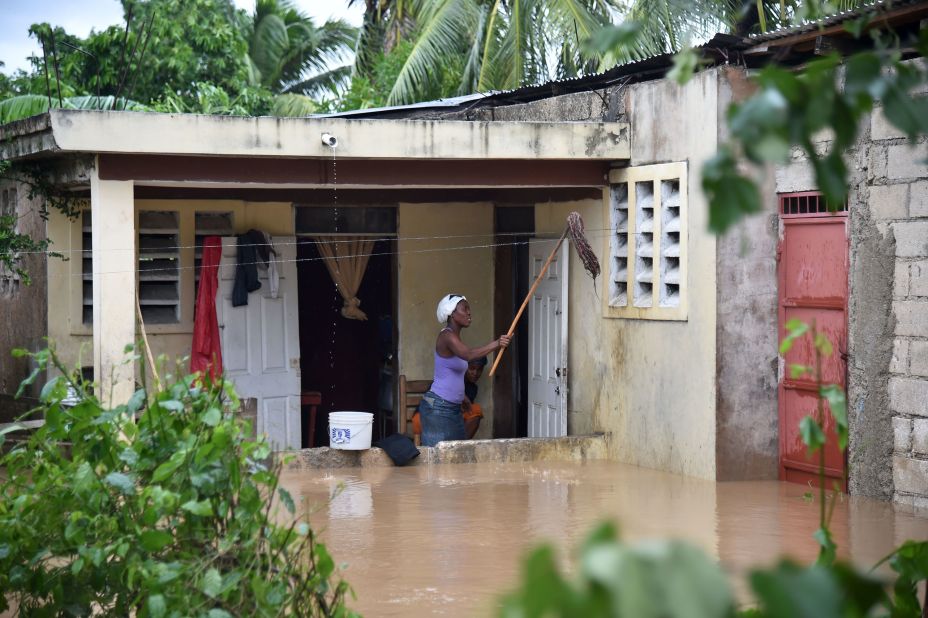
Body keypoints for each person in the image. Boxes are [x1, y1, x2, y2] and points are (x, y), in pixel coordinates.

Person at [419, 294, 510, 447]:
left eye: (469, 309)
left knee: (456, 458)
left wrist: (462, 397)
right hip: (439, 409)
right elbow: (468, 355)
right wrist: (497, 343)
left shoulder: (455, 338)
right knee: (438, 461)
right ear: (452, 313)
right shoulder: (446, 336)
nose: (469, 312)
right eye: (465, 309)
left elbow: (451, 374)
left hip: (452, 408)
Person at [412, 355, 487, 440]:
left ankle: (458, 447)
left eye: (479, 369)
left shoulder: (472, 388)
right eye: (472, 368)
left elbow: (464, 411)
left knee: (475, 410)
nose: (475, 373)